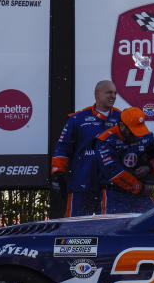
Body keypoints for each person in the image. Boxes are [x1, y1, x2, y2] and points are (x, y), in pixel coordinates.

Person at [51, 80, 122, 217]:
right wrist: (57, 172)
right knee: (75, 228)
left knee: (107, 228)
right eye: (109, 92)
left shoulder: (122, 118)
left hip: (111, 186)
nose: (113, 96)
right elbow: (62, 148)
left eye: (115, 93)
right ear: (97, 94)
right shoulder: (78, 119)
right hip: (82, 182)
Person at [95, 107, 154, 214]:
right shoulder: (105, 140)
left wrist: (149, 167)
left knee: (153, 222)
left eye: (139, 130)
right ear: (121, 126)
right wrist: (140, 188)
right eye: (133, 132)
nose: (137, 135)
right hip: (115, 195)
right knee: (115, 228)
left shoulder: (146, 135)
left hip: (143, 193)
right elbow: (114, 172)